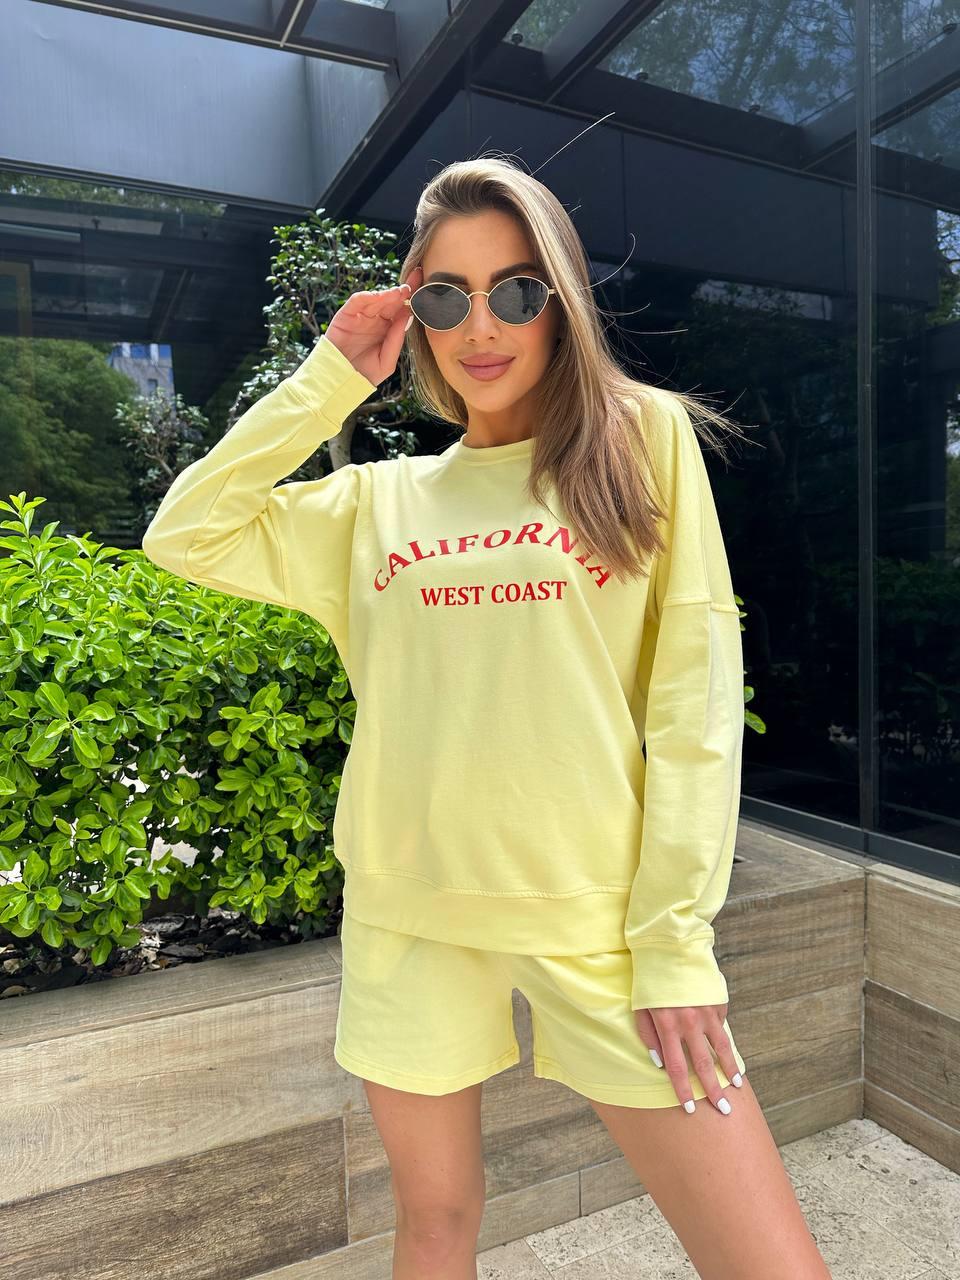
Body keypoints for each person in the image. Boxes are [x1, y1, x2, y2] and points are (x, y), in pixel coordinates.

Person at [141, 157, 832, 1280]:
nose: (481, 327)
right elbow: (184, 532)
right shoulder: (375, 502)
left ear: (561, 301)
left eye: (515, 290)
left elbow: (695, 705)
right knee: (435, 1223)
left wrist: (673, 943)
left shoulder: (638, 441)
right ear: (413, 311)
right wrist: (330, 378)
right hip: (408, 913)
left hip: (598, 920)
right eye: (445, 296)